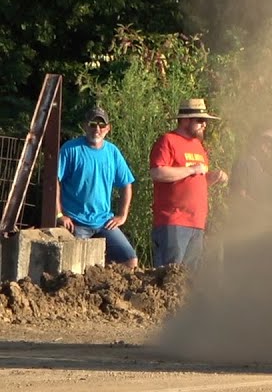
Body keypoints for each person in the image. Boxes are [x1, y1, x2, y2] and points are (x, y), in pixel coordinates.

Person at [149, 98, 229, 267]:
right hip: (173, 220)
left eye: (205, 121)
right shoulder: (168, 140)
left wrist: (212, 178)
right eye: (200, 120)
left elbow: (194, 182)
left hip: (197, 222)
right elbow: (157, 172)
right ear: (185, 120)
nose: (204, 125)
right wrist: (192, 170)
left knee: (188, 278)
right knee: (169, 274)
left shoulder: (198, 146)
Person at [55, 106, 139, 268]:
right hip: (75, 223)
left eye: (102, 125)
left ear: (108, 128)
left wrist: (122, 216)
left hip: (104, 222)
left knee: (130, 260)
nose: (97, 129)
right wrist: (59, 215)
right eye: (93, 124)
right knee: (72, 267)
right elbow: (54, 182)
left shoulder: (113, 152)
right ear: (84, 126)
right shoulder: (70, 149)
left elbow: (126, 184)